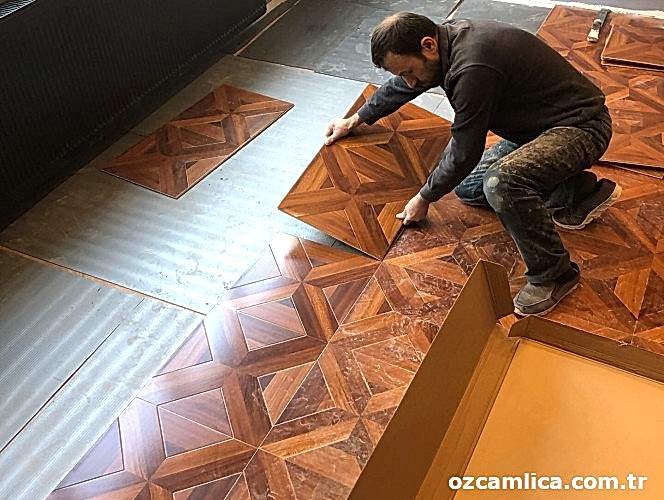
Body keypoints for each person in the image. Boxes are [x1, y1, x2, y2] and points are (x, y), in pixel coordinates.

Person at [324, 12, 620, 316]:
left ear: (427, 46)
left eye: (409, 71)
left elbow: (466, 150)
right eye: (402, 74)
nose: (409, 81)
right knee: (469, 188)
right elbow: (402, 86)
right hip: (536, 130)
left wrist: (424, 197)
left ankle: (554, 274)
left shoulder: (473, 67)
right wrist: (355, 119)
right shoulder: (443, 44)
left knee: (502, 184)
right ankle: (576, 193)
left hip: (581, 127)